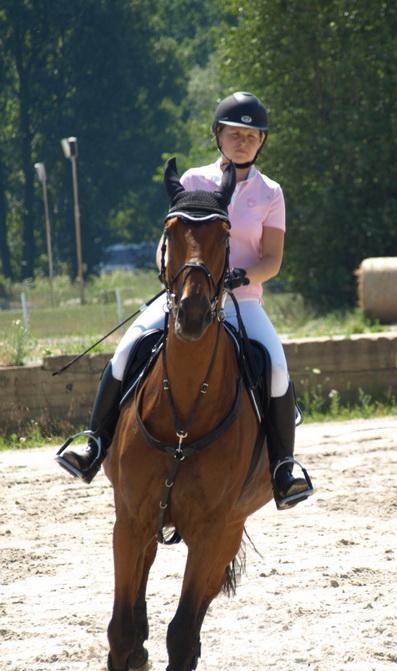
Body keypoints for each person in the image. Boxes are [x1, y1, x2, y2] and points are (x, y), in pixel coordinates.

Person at [56, 91, 314, 511]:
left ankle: (284, 467)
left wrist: (240, 276)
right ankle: (94, 442)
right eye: (235, 133)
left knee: (276, 365)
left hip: (240, 300)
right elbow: (168, 241)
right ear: (218, 135)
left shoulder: (271, 193)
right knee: (128, 348)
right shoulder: (193, 181)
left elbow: (272, 259)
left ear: (262, 141)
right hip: (185, 295)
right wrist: (166, 268)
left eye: (251, 135)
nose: (243, 141)